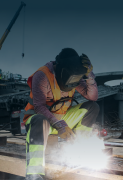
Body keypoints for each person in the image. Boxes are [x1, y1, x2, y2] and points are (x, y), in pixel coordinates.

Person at [24, 48, 99, 180]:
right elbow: (39, 107)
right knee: (39, 119)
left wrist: (89, 75)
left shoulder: (74, 76)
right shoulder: (42, 75)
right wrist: (58, 124)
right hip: (40, 123)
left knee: (92, 107)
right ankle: (34, 174)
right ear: (60, 69)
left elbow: (92, 97)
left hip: (62, 120)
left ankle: (79, 150)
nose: (71, 85)